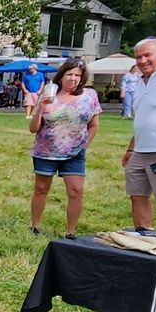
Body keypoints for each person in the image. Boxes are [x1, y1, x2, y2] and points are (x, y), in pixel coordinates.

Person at [27, 57, 101, 238]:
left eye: (78, 75)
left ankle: (70, 231)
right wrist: (40, 109)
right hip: (45, 151)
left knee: (76, 191)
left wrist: (85, 145)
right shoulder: (49, 94)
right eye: (70, 74)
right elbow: (33, 129)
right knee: (41, 189)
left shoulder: (89, 96)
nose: (73, 78)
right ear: (61, 76)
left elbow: (94, 125)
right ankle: (35, 226)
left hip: (75, 153)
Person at [123, 38, 156, 230]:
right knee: (137, 195)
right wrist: (130, 149)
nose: (142, 60)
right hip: (140, 152)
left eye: (148, 55)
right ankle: (144, 237)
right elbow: (141, 120)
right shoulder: (138, 84)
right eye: (138, 57)